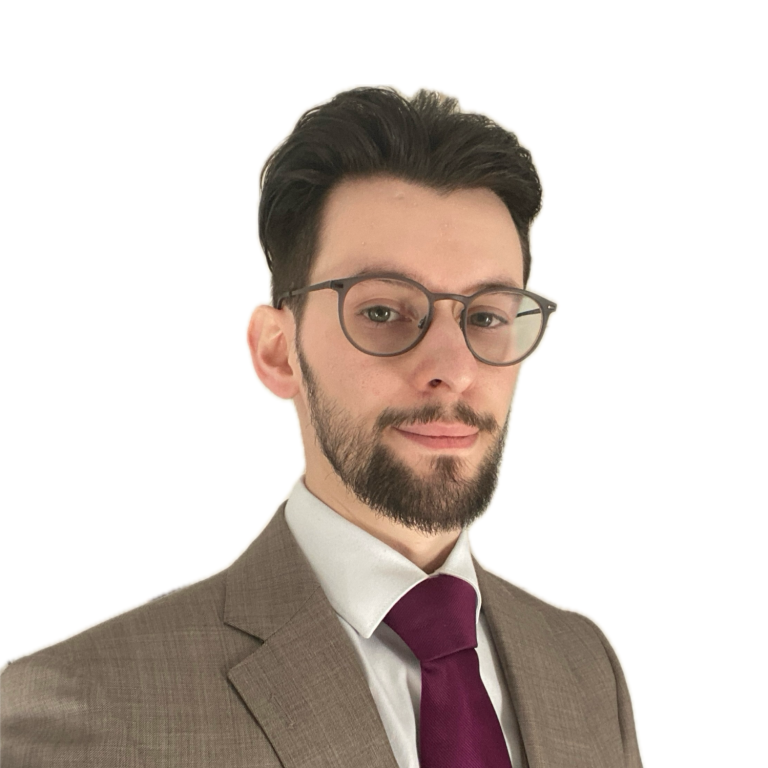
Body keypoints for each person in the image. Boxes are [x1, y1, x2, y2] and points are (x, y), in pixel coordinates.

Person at [1, 84, 645, 767]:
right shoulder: (80, 709)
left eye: (486, 316)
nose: (453, 370)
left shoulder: (583, 666)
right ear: (278, 352)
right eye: (383, 312)